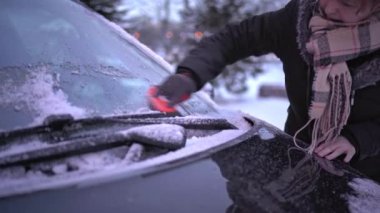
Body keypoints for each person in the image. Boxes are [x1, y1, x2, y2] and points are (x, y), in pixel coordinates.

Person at [152, 0, 380, 182]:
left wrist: (358, 139)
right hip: (297, 162)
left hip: (366, 180)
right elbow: (235, 38)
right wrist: (190, 74)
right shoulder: (299, 20)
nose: (329, 6)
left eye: (347, 4)